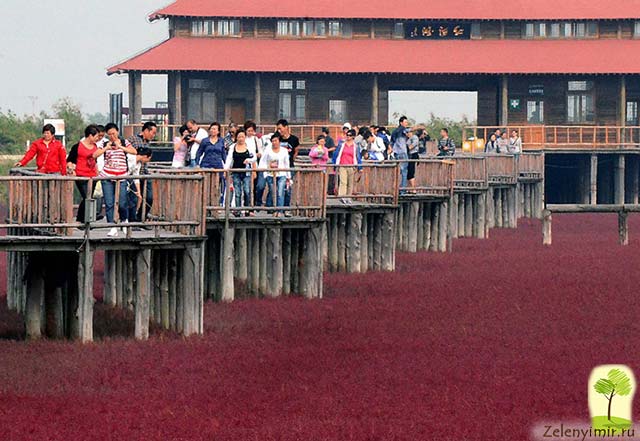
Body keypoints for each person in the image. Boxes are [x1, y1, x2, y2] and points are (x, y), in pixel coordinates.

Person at [95, 123, 139, 237]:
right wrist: (106, 147)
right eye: (109, 134)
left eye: (113, 134)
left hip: (121, 177)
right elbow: (95, 154)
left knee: (122, 202)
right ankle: (112, 226)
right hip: (107, 176)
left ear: (118, 132)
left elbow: (134, 151)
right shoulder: (104, 143)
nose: (112, 136)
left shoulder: (124, 142)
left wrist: (120, 147)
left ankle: (124, 221)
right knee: (109, 203)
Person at [66, 125, 101, 222]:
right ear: (90, 135)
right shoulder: (77, 146)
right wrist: (71, 169)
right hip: (81, 176)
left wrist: (97, 173)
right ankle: (90, 216)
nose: (97, 139)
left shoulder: (95, 147)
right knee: (87, 196)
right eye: (96, 136)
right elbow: (69, 160)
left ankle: (82, 219)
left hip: (92, 176)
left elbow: (95, 161)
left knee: (88, 197)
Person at [127, 121, 157, 222]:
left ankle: (140, 217)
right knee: (133, 198)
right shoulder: (132, 139)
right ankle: (132, 219)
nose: (153, 135)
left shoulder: (147, 143)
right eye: (153, 133)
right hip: (133, 173)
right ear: (146, 131)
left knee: (149, 198)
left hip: (144, 172)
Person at [224, 129, 255, 214]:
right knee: (237, 192)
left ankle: (247, 209)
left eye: (242, 137)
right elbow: (229, 159)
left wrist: (248, 160)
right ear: (236, 138)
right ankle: (238, 210)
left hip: (246, 172)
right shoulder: (232, 147)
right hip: (236, 172)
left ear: (245, 137)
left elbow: (254, 157)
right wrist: (225, 170)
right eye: (239, 137)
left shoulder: (249, 146)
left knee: (247, 191)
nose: (241, 139)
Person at [261, 133, 291, 215]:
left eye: (276, 140)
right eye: (273, 141)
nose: (274, 142)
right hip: (270, 174)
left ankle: (279, 211)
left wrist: (288, 176)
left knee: (280, 192)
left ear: (279, 141)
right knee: (273, 191)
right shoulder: (268, 150)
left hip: (282, 173)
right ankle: (273, 208)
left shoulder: (284, 151)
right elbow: (262, 161)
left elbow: (286, 163)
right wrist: (265, 172)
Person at [276, 119, 300, 206]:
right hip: (278, 167)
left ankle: (286, 207)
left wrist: (292, 160)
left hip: (289, 166)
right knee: (277, 188)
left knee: (287, 188)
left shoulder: (294, 139)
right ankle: (277, 208)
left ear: (286, 127)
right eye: (277, 129)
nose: (279, 131)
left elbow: (296, 151)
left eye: (280, 128)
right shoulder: (277, 139)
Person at [332, 128, 362, 198]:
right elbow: (336, 154)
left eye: (350, 135)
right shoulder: (341, 145)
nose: (348, 136)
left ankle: (348, 197)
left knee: (350, 183)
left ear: (353, 137)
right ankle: (342, 196)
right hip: (342, 165)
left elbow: (358, 157)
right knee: (343, 182)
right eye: (347, 135)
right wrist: (335, 165)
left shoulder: (356, 147)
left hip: (352, 166)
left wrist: (360, 168)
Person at [391, 116, 410, 188]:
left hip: (396, 153)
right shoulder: (402, 129)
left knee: (397, 171)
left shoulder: (394, 131)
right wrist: (418, 127)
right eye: (405, 122)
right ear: (401, 123)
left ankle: (395, 187)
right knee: (404, 171)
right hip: (402, 153)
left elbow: (392, 142)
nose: (406, 124)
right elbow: (409, 130)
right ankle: (403, 189)